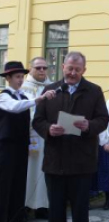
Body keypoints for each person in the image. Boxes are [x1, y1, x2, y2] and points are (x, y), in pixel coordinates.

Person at [33, 51, 109, 222]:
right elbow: (37, 121)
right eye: (69, 69)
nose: (73, 73)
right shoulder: (49, 90)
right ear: (62, 67)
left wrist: (89, 125)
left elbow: (103, 119)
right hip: (55, 161)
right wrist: (48, 129)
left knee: (80, 212)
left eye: (77, 69)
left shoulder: (94, 91)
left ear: (84, 70)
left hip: (82, 162)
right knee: (56, 212)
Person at [0, 61, 55, 222]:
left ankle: (16, 217)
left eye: (21, 77)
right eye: (17, 77)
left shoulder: (24, 96)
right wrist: (39, 99)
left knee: (19, 183)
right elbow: (15, 107)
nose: (20, 80)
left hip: (21, 146)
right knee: (5, 184)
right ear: (8, 78)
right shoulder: (4, 96)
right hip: (6, 147)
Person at [22, 57, 52, 219]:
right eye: (38, 68)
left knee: (46, 172)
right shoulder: (24, 87)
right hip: (30, 138)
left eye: (44, 68)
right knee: (28, 172)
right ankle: (25, 204)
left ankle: (43, 205)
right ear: (31, 69)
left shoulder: (53, 86)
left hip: (48, 137)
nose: (42, 71)